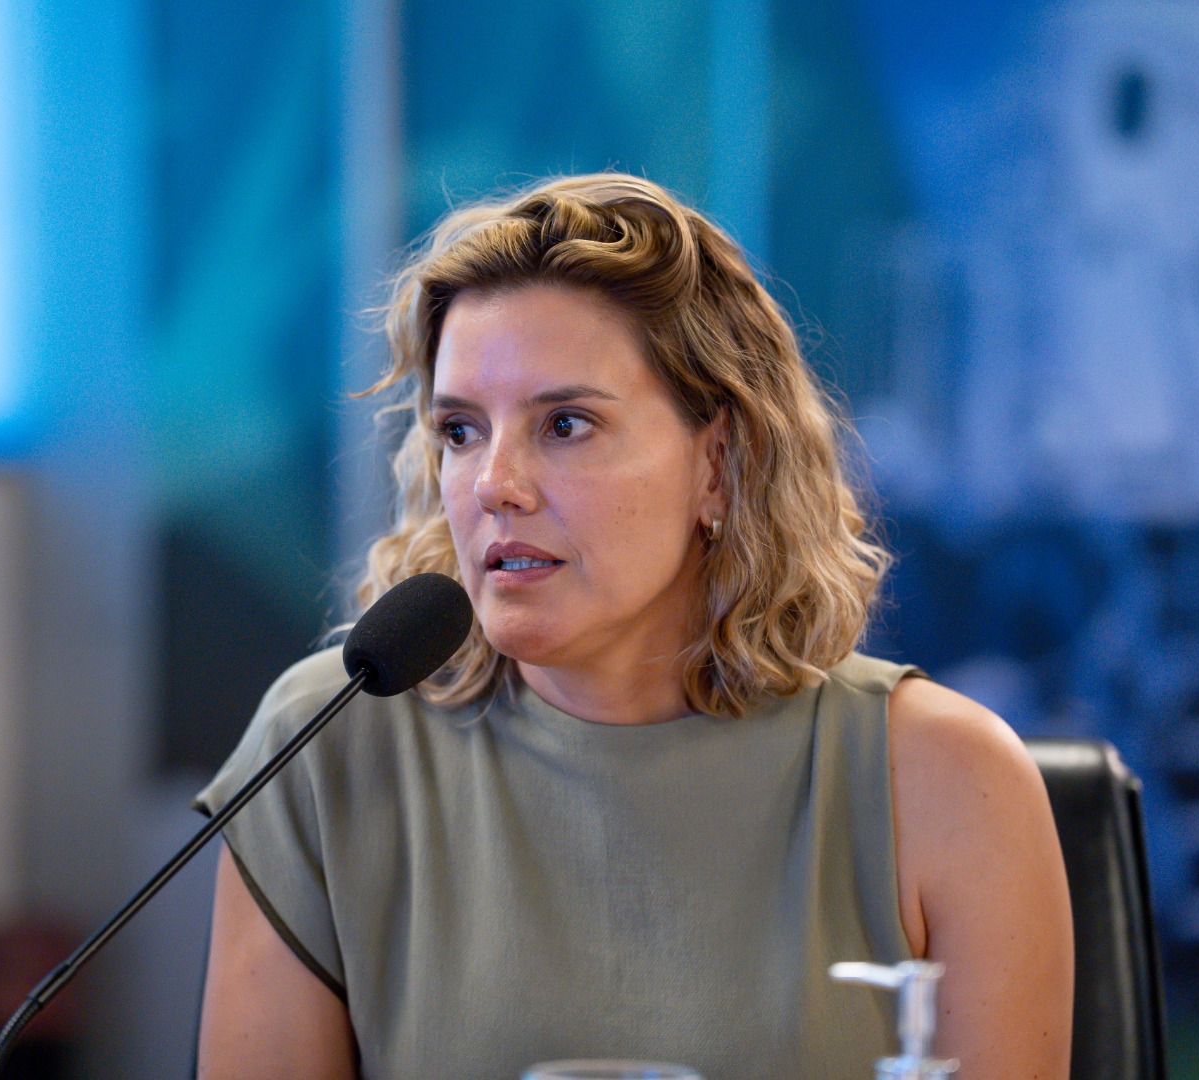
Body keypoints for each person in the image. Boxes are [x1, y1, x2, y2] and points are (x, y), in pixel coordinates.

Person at [194, 173, 1072, 1079]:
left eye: (565, 424)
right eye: (460, 430)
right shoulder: (325, 744)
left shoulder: (946, 780)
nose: (493, 484)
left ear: (719, 464)